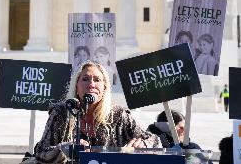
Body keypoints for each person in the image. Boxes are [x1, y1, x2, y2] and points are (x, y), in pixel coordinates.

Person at [31, 61, 162, 163]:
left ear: (105, 88)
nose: (91, 84)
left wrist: (144, 144)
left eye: (97, 80)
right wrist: (66, 149)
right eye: (85, 79)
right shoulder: (62, 112)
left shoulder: (119, 115)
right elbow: (41, 152)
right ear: (76, 86)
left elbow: (155, 141)